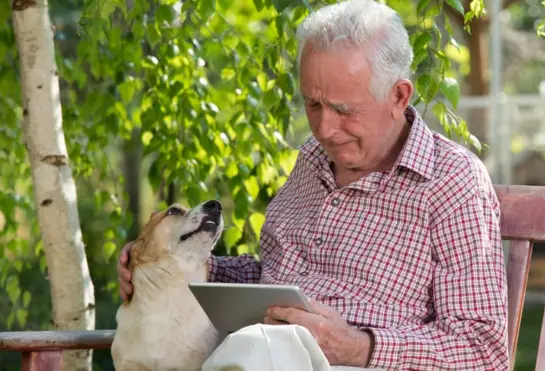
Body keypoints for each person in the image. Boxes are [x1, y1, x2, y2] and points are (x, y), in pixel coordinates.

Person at [117, 0, 509, 369]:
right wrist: (177, 263)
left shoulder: (452, 182)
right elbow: (279, 279)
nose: (324, 129)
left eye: (343, 109)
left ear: (399, 96)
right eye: (313, 104)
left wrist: (358, 346)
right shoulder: (313, 161)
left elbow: (484, 352)